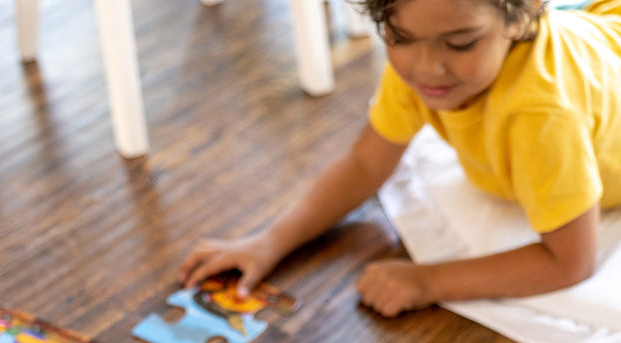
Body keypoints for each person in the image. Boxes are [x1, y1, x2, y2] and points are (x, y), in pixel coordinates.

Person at [180, 0, 621, 317]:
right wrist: (269, 241)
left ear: (525, 13)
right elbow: (367, 163)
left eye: (462, 43)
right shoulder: (421, 66)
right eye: (400, 38)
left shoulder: (542, 115)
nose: (427, 68)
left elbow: (570, 261)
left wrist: (427, 281)